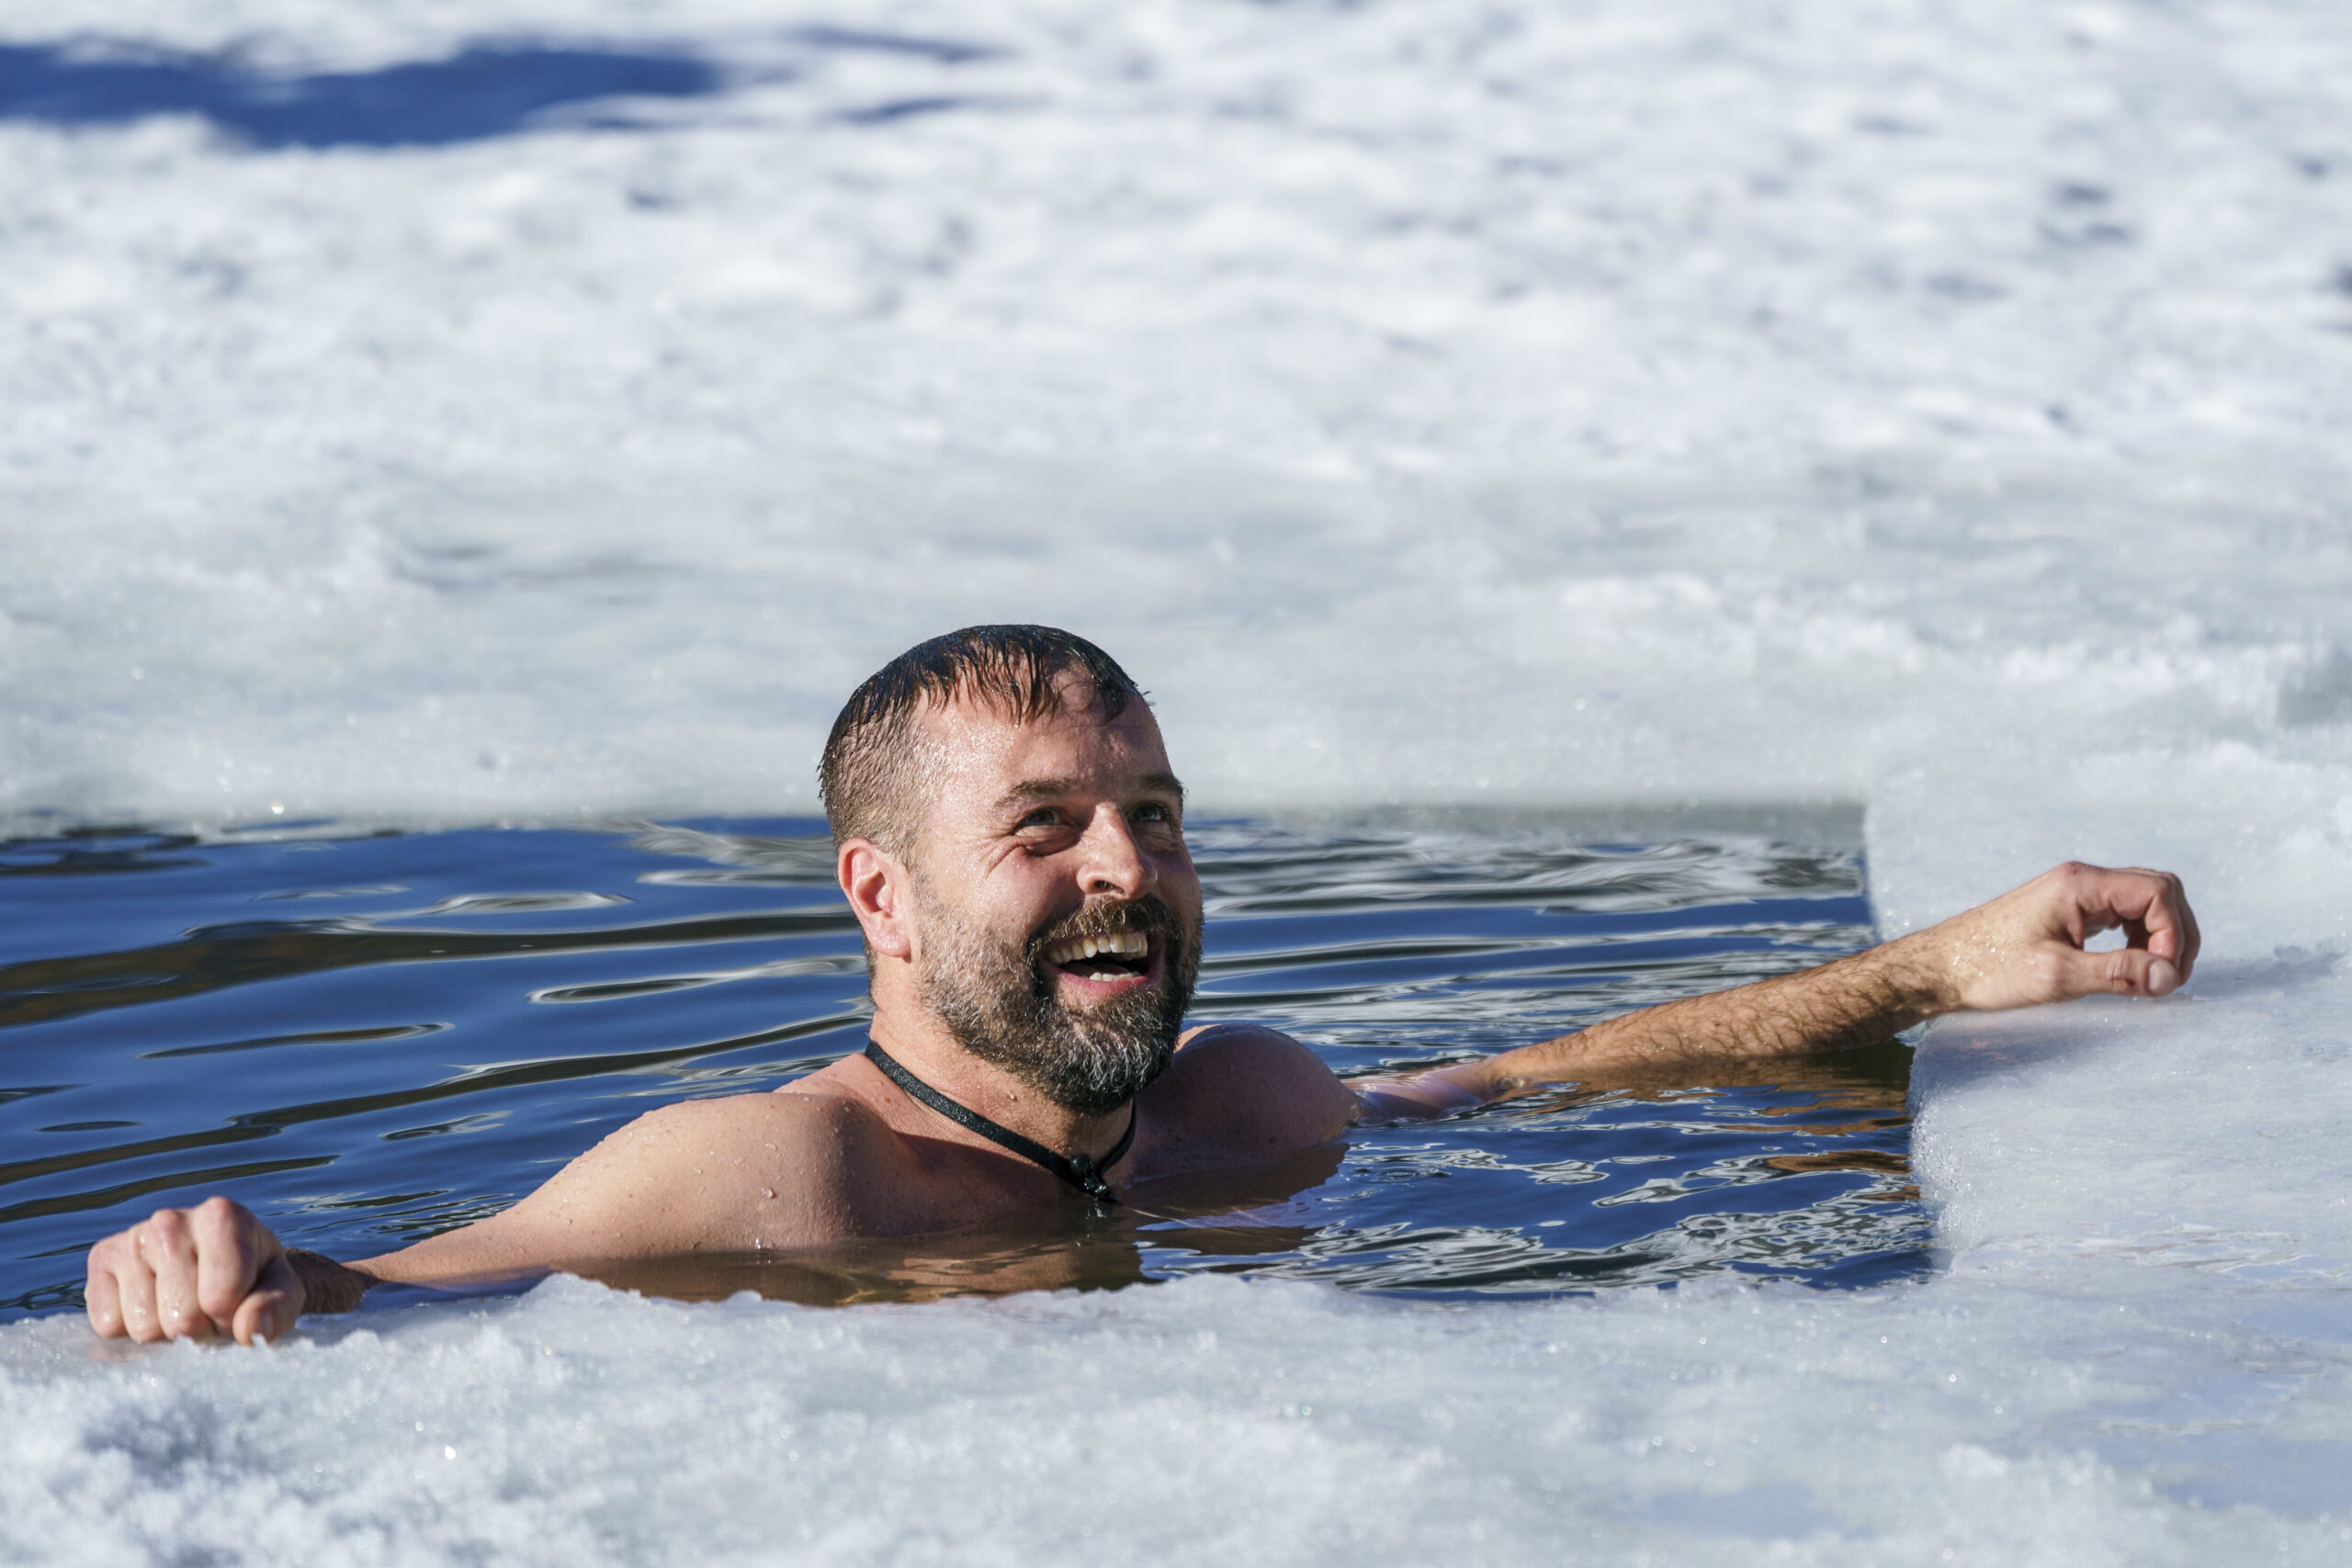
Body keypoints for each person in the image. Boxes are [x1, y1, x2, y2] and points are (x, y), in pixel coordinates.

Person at [84, 626, 2200, 1345]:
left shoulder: (1240, 1106)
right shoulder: (765, 1178)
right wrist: (233, 1265)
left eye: (1155, 815)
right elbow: (425, 1281)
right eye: (1046, 829)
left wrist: (1934, 965)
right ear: (881, 902)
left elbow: (1540, 1076)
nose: (1129, 869)